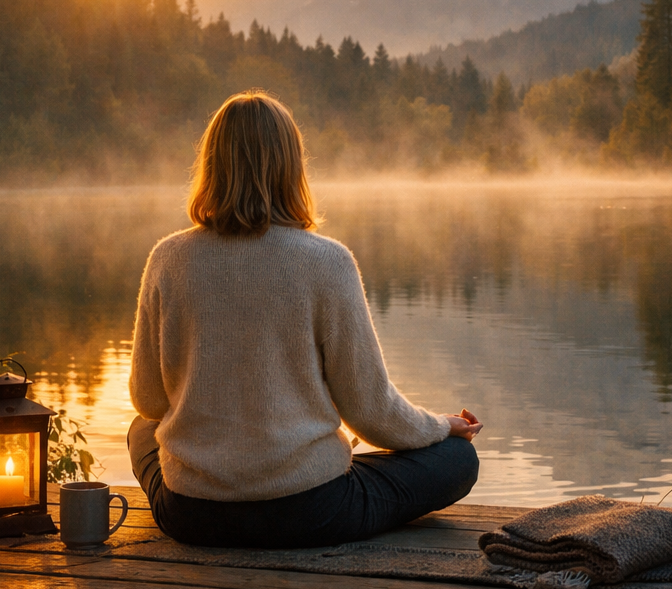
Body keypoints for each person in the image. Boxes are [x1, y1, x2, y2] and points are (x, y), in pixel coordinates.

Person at [127, 90, 482, 548]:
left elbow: (149, 401)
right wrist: (440, 426)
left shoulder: (167, 259)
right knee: (457, 459)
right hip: (309, 511)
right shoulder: (327, 262)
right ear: (291, 166)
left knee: (140, 430)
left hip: (192, 515)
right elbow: (371, 413)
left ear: (211, 164)